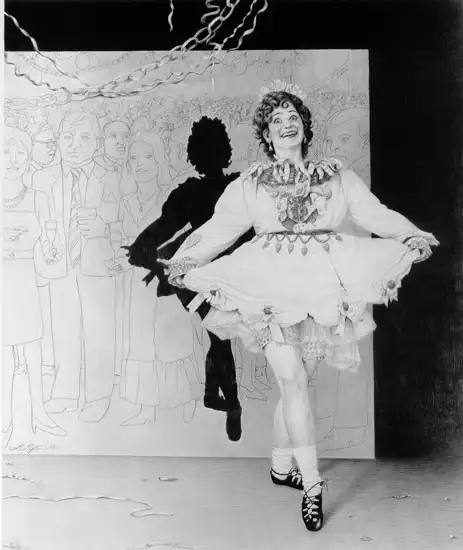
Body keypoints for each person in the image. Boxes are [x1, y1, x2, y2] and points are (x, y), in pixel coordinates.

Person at [160, 83, 439, 532]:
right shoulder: (251, 185)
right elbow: (220, 228)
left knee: (298, 385)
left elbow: (374, 213)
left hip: (321, 290)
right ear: (267, 137)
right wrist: (187, 258)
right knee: (291, 380)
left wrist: (410, 235)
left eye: (293, 117)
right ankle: (312, 485)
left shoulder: (337, 177)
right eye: (276, 120)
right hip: (268, 290)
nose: (286, 123)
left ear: (305, 128)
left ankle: (279, 465)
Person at [123, 116, 255, 442]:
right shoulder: (239, 187)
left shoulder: (191, 193)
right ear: (225, 152)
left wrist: (141, 248)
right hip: (229, 270)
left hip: (203, 272)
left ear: (194, 155)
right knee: (219, 335)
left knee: (218, 335)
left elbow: (164, 226)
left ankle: (223, 398)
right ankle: (224, 399)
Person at [33, 112, 121, 423]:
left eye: (84, 137)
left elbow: (127, 225)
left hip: (97, 266)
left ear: (96, 143)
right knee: (63, 329)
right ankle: (65, 392)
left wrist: (103, 228)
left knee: (99, 332)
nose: (74, 144)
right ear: (58, 141)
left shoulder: (110, 178)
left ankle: (98, 397)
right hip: (60, 266)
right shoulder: (43, 179)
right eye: (68, 137)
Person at [114, 131, 202, 425]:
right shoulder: (126, 201)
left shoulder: (172, 199)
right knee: (142, 344)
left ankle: (185, 402)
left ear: (159, 161)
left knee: (173, 342)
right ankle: (145, 408)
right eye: (134, 159)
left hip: (167, 281)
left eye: (148, 157)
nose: (140, 164)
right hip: (138, 286)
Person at [2, 126, 65, 448]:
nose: (13, 160)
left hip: (27, 279)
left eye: (20, 153)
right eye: (6, 152)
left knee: (33, 349)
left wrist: (51, 250)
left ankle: (39, 413)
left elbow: (52, 244)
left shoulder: (40, 198)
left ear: (28, 158)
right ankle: (4, 421)